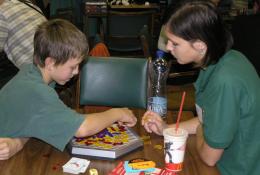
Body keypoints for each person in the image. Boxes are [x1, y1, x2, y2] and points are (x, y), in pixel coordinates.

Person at [142, 1, 260, 175]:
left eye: (175, 43)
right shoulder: (223, 60)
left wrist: (200, 129)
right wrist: (168, 128)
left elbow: (209, 156)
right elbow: (211, 118)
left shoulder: (225, 81)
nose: (168, 47)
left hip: (231, 169)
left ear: (200, 45)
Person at [0, 19, 137, 160]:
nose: (77, 72)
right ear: (50, 63)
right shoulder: (37, 91)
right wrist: (117, 113)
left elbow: (30, 121)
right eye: (72, 67)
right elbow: (82, 128)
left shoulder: (30, 71)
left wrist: (18, 142)